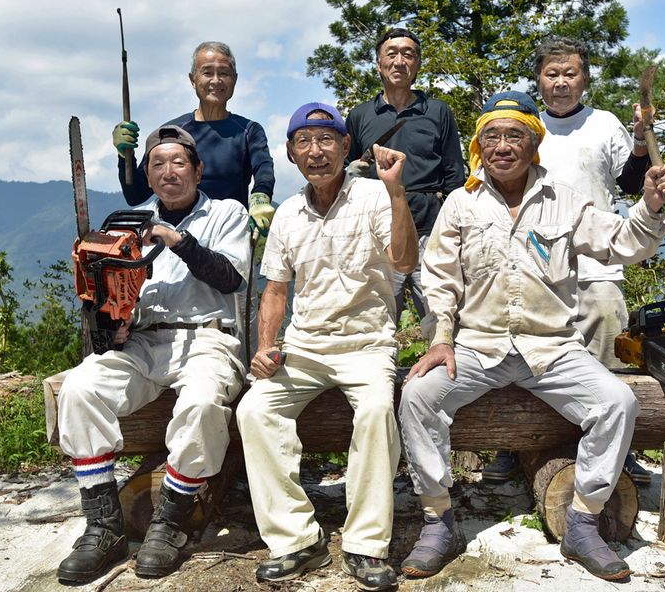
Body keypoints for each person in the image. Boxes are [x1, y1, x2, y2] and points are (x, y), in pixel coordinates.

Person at [397, 91, 665, 581]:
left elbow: (621, 243)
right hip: (476, 346)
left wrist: (651, 207)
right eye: (492, 136)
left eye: (515, 135)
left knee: (617, 402)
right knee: (419, 395)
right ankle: (438, 519)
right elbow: (440, 279)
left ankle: (583, 520)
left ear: (534, 142)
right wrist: (441, 337)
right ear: (478, 146)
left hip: (552, 348)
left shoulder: (565, 201)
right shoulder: (460, 204)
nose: (502, 146)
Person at [56, 125, 251, 583]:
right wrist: (112, 323)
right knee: (80, 389)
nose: (168, 172)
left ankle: (170, 522)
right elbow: (108, 297)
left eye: (179, 162)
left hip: (209, 338)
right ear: (147, 172)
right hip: (144, 341)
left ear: (198, 169)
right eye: (157, 164)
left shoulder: (226, 213)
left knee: (203, 402)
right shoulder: (128, 221)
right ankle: (103, 527)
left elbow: (229, 278)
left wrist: (174, 239)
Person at [236, 102, 418, 591]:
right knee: (254, 411)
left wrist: (397, 190)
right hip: (305, 347)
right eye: (304, 142)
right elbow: (275, 290)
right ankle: (297, 540)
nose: (316, 151)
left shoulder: (377, 198)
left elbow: (403, 260)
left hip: (367, 344)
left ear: (345, 146)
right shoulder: (289, 215)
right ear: (292, 154)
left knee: (378, 410)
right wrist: (265, 346)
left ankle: (365, 543)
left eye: (325, 140)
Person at [483, 36, 653, 485]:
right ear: (538, 79)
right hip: (533, 266)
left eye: (570, 73)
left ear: (585, 78)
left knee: (608, 352)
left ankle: (621, 446)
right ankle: (512, 443)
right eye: (551, 73)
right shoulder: (524, 128)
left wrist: (639, 142)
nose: (560, 82)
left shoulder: (604, 124)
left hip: (597, 261)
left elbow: (631, 183)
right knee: (520, 348)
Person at [346, 27, 465, 321]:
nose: (399, 61)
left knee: (441, 316)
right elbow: (347, 179)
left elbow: (454, 174)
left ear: (418, 65)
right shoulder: (360, 115)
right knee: (378, 318)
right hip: (378, 232)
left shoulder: (438, 111)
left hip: (431, 229)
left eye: (408, 54)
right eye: (392, 53)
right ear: (378, 64)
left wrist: (457, 230)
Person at [111, 41, 277, 235]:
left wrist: (260, 201)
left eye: (223, 73)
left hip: (229, 234)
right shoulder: (172, 134)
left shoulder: (249, 131)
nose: (216, 80)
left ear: (235, 79)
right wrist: (125, 156)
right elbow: (135, 195)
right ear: (193, 79)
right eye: (207, 73)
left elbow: (264, 170)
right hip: (174, 237)